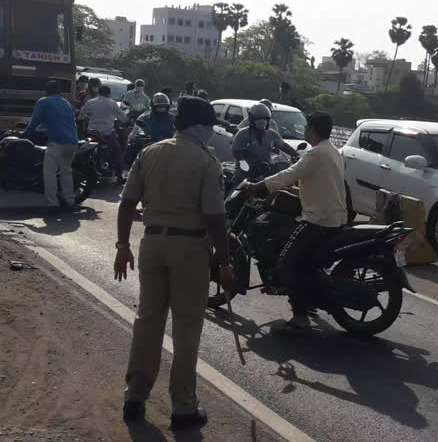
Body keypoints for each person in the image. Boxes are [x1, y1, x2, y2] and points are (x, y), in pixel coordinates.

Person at [115, 96, 232, 431]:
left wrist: (122, 246)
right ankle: (183, 409)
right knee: (186, 329)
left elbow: (126, 205)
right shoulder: (207, 162)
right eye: (210, 127)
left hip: (151, 242)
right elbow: (215, 218)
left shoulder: (149, 152)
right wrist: (224, 264)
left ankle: (134, 397)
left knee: (147, 321)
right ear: (202, 127)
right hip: (189, 248)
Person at [241, 112, 346, 332]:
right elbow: (319, 184)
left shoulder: (315, 154)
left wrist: (259, 186)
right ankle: (307, 300)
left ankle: (300, 317)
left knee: (287, 262)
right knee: (303, 261)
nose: (306, 131)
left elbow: (289, 173)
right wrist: (291, 188)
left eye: (308, 127)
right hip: (333, 218)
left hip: (317, 221)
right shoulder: (333, 151)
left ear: (314, 130)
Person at [23, 81, 79, 207]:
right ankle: (70, 200)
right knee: (66, 171)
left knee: (49, 173)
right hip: (73, 142)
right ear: (59, 92)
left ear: (46, 92)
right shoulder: (67, 104)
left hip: (57, 142)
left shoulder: (43, 101)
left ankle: (52, 203)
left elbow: (35, 121)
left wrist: (26, 133)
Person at [231, 103, 298, 185]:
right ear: (252, 119)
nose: (262, 121)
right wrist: (248, 164)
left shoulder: (271, 134)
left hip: (266, 170)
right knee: (237, 187)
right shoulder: (242, 134)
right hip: (245, 171)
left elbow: (284, 146)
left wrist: (296, 155)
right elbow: (236, 152)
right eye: (258, 118)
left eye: (264, 119)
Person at [78, 85, 128, 182]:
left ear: (99, 92)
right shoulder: (112, 103)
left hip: (91, 133)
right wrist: (125, 120)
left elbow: (81, 116)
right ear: (109, 93)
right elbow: (123, 118)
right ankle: (119, 175)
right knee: (117, 151)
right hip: (107, 133)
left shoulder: (90, 102)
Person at [125, 93, 176, 166]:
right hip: (148, 146)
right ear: (153, 106)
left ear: (167, 107)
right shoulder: (144, 117)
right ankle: (130, 171)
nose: (161, 109)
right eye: (159, 107)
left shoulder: (174, 118)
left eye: (163, 107)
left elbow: (180, 133)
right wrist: (134, 138)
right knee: (131, 148)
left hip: (169, 147)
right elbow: (133, 133)